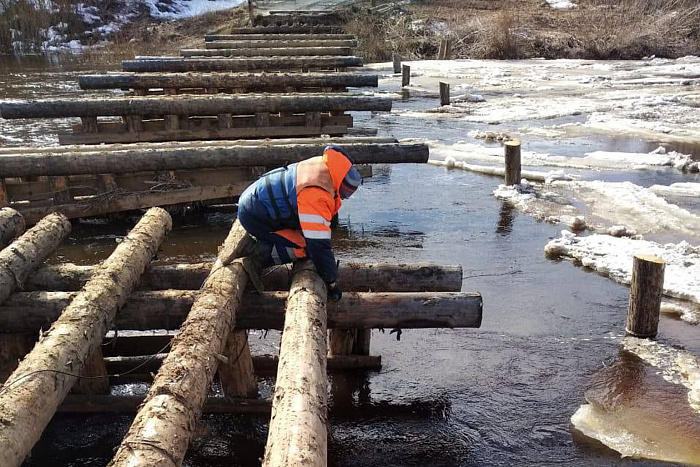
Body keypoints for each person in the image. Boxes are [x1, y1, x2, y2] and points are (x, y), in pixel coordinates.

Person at [237, 145, 361, 302]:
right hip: (255, 215)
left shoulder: (323, 166)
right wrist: (331, 282)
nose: (343, 198)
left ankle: (262, 243)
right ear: (341, 186)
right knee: (306, 247)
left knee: (307, 237)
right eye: (345, 194)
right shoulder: (317, 194)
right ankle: (257, 254)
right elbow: (318, 245)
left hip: (255, 198)